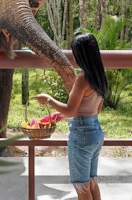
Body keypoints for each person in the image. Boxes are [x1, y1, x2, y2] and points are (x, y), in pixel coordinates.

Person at [35, 33, 108, 200]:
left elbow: (70, 111)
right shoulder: (100, 76)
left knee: (81, 187)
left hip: (81, 134)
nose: (73, 57)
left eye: (75, 53)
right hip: (96, 131)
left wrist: (48, 99)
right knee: (91, 182)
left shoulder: (82, 78)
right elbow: (96, 110)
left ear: (82, 55)